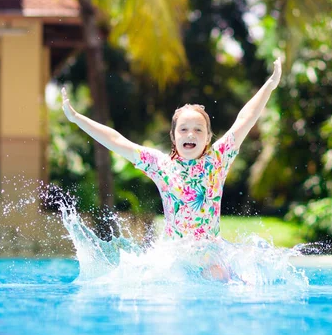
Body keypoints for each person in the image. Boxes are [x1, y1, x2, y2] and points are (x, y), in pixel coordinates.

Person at [61, 58, 282, 244]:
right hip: (175, 256)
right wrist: (76, 118)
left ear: (207, 138)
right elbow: (116, 140)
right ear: (174, 137)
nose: (191, 134)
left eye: (198, 130)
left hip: (210, 253)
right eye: (183, 129)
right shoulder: (161, 165)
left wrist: (269, 85)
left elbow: (245, 118)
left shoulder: (217, 159)